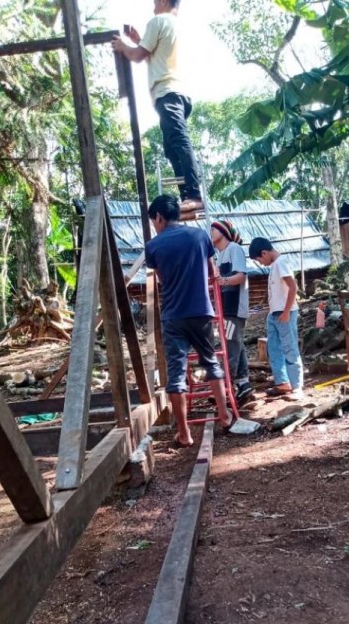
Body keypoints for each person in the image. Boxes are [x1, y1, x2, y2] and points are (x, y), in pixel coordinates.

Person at [145, 194, 233, 447]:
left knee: (175, 376)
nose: (155, 226)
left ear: (159, 217)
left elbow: (162, 279)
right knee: (211, 363)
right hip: (201, 311)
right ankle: (225, 416)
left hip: (173, 316)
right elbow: (211, 271)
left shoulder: (153, 246)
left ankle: (184, 434)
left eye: (154, 221)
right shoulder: (199, 236)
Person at [112, 0, 203, 213]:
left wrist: (123, 46)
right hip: (177, 92)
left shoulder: (158, 21)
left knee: (179, 141)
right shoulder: (174, 23)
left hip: (168, 92)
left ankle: (193, 195)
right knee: (172, 148)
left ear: (163, 1)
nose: (152, 4)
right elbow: (155, 56)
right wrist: (138, 40)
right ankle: (187, 195)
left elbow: (136, 56)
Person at [248, 237, 304, 401]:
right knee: (274, 348)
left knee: (289, 348)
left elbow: (293, 286)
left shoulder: (280, 263)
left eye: (259, 259)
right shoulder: (274, 265)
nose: (260, 263)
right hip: (274, 314)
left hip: (285, 313)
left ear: (264, 253)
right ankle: (282, 382)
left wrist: (286, 311)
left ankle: (297, 386)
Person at [211, 220, 254, 407]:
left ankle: (225, 385)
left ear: (223, 232)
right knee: (236, 343)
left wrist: (223, 281)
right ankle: (243, 384)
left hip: (234, 307)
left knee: (231, 345)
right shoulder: (219, 255)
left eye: (213, 229)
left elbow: (241, 276)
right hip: (226, 307)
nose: (210, 233)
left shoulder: (234, 249)